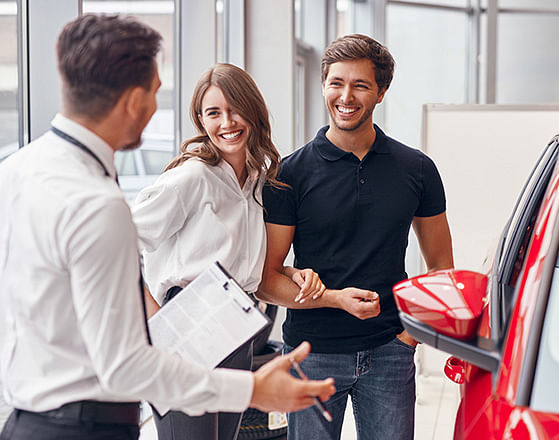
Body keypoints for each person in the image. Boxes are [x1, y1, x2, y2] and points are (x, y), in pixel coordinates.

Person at [0, 14, 334, 440]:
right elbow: (127, 362)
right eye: (157, 93)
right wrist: (252, 388)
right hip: (85, 419)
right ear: (133, 101)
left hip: (31, 415)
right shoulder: (102, 203)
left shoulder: (19, 169)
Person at [259, 34, 454, 440]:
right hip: (310, 354)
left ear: (381, 92)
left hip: (390, 351)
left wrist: (409, 337)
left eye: (360, 85)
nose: (345, 96)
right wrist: (333, 298)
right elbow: (266, 281)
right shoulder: (290, 175)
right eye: (336, 83)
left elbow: (440, 269)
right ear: (324, 86)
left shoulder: (416, 169)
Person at [131, 63, 326, 440]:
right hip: (187, 324)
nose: (227, 122)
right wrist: (156, 321)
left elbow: (246, 264)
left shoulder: (257, 180)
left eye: (235, 109)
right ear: (201, 121)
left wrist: (291, 273)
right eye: (213, 113)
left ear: (253, 111)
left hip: (238, 325)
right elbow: (118, 243)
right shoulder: (191, 178)